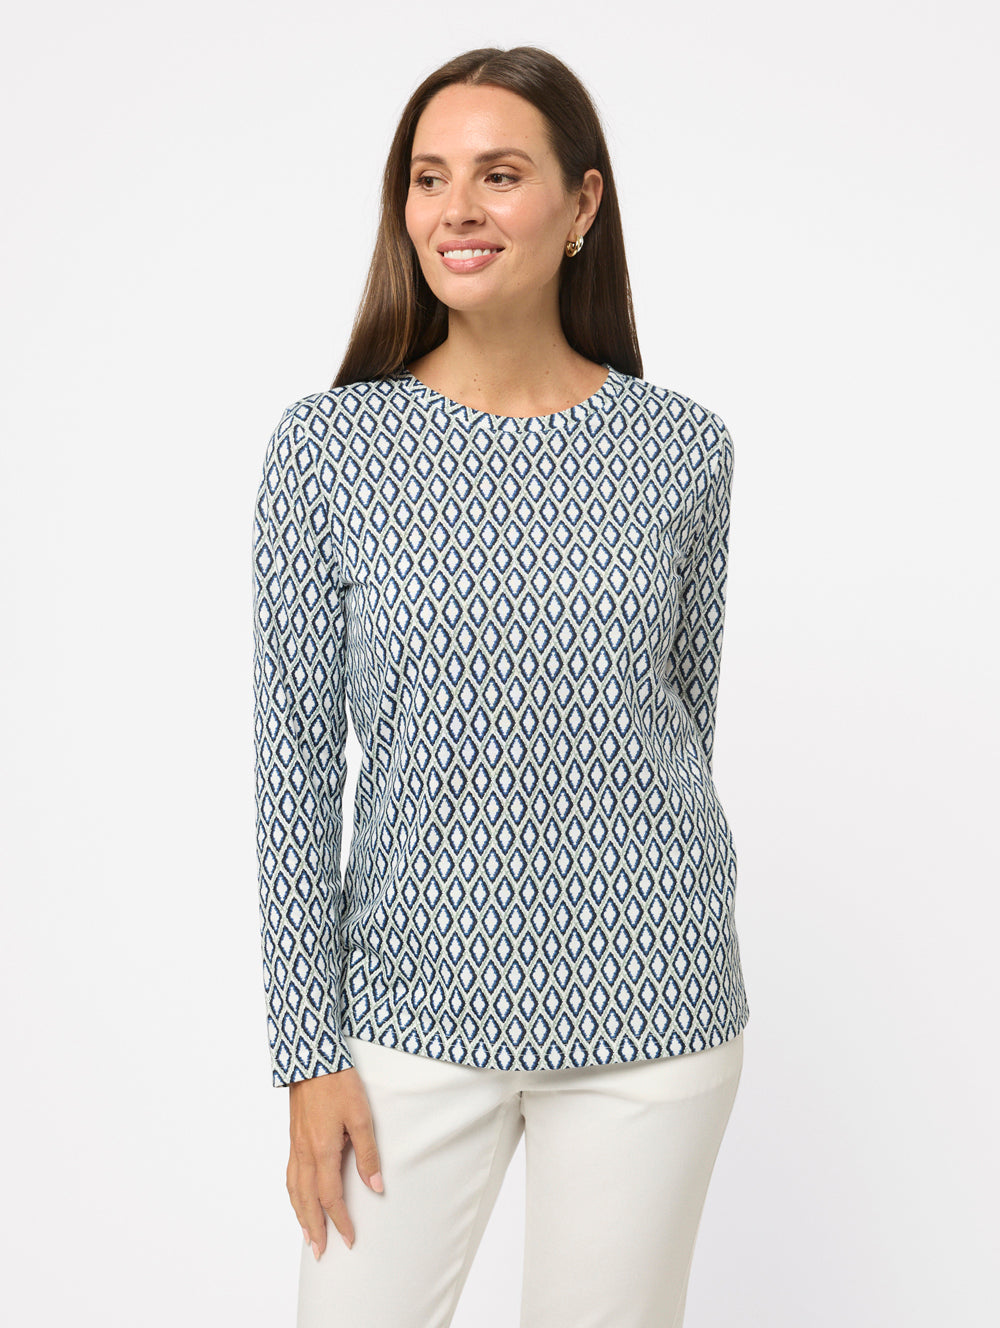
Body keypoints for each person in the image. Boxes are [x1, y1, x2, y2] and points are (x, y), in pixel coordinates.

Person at [252, 44, 750, 1328]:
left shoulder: (681, 449)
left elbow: (680, 721)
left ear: (583, 203)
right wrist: (307, 1051)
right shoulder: (330, 447)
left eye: (499, 174)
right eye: (428, 177)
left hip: (651, 996)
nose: (455, 209)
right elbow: (292, 764)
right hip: (404, 1006)